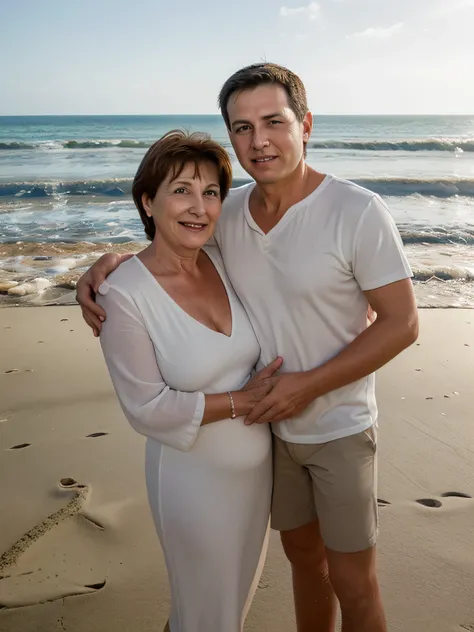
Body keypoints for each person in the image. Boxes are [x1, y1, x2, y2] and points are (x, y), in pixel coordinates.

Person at [77, 63, 419, 632]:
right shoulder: (228, 211)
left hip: (339, 428)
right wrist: (108, 264)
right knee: (305, 566)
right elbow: (174, 241)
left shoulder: (357, 211)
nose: (258, 141)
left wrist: (304, 387)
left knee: (355, 582)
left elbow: (403, 324)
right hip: (271, 435)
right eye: (241, 127)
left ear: (305, 124)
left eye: (273, 122)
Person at [93, 129, 284, 632]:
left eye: (211, 192)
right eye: (181, 190)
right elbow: (147, 408)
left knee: (223, 611)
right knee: (206, 616)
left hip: (254, 480)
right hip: (192, 483)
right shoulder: (124, 294)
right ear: (147, 202)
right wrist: (243, 400)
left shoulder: (227, 261)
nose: (199, 207)